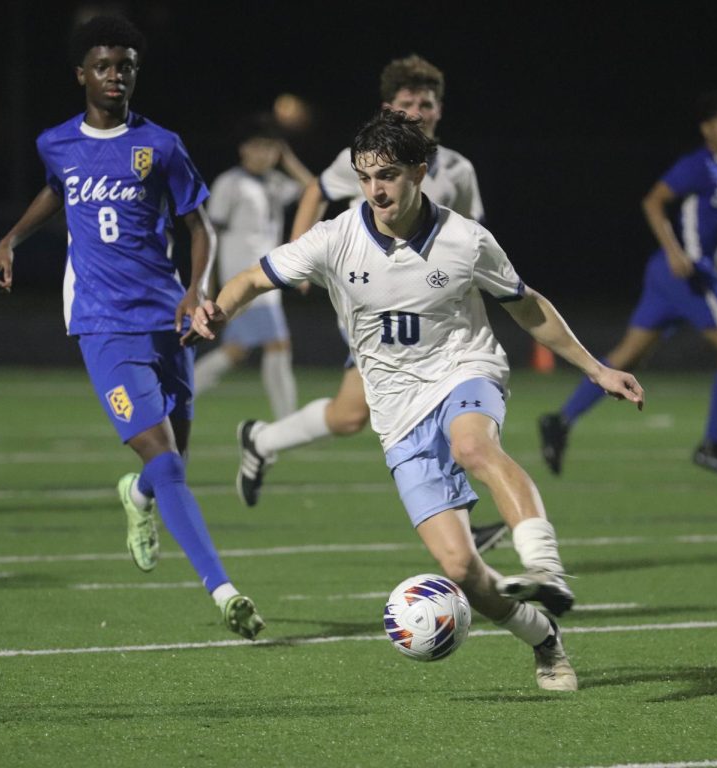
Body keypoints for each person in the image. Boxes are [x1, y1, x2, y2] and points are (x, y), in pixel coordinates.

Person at [189, 109, 645, 691]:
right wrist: (219, 309)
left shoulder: (465, 240)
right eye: (365, 176)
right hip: (396, 410)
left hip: (464, 371)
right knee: (460, 569)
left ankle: (546, 566)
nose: (376, 189)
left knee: (473, 443)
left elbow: (526, 306)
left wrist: (597, 368)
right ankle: (543, 638)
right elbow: (253, 277)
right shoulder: (335, 239)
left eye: (389, 176)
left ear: (419, 173)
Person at [0, 15, 264, 640]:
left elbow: (199, 227)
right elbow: (57, 190)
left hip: (166, 318)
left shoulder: (160, 145)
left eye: (126, 66)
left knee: (171, 469)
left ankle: (137, 498)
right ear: (81, 73)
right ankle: (224, 591)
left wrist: (196, 292)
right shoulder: (55, 142)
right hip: (102, 324)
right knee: (165, 458)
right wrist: (12, 239)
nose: (115, 76)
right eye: (104, 66)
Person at [233, 54, 505, 551]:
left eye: (427, 103)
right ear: (389, 107)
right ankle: (459, 529)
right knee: (427, 401)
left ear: (440, 108)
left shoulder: (459, 170)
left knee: (349, 415)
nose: (418, 111)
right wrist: (298, 256)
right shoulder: (368, 158)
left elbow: (469, 239)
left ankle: (262, 440)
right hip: (376, 305)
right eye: (408, 103)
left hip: (433, 315)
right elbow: (316, 189)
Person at [538, 88, 717, 481]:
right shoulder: (698, 165)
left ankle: (560, 421)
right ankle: (711, 445)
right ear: (707, 128)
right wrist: (676, 251)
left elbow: (711, 224)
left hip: (667, 274)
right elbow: (653, 201)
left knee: (626, 357)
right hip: (688, 274)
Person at [192, 114, 314, 418]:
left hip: (269, 279)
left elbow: (315, 190)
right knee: (277, 344)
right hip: (243, 280)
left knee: (236, 352)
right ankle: (289, 421)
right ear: (243, 149)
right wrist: (210, 283)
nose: (265, 154)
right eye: (259, 147)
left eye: (271, 148)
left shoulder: (275, 182)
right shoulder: (230, 183)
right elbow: (211, 234)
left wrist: (289, 159)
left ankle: (179, 394)